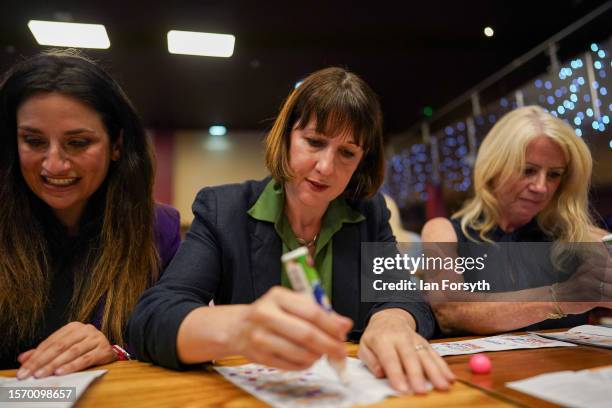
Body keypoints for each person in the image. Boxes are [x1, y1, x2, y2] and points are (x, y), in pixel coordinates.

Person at [128, 67, 454, 394]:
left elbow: (405, 295)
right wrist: (239, 328)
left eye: (347, 153)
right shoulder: (222, 210)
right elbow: (152, 319)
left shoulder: (370, 214)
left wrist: (391, 322)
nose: (326, 167)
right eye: (314, 141)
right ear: (286, 137)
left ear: (361, 162)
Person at [0, 50, 181, 376]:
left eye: (78, 143)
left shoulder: (160, 230)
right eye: (33, 140)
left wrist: (118, 351)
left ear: (117, 145)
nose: (53, 164)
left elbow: (178, 336)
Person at [422, 105, 611, 335]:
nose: (541, 187)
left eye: (554, 175)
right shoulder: (443, 232)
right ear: (495, 168)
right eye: (527, 170)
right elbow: (450, 312)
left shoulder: (582, 238)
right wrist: (562, 297)